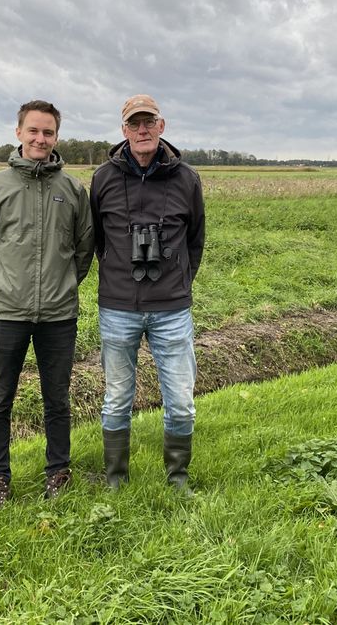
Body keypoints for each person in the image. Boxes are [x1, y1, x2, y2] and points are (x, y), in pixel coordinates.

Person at [0, 100, 95, 507]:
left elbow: (84, 248)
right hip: (7, 313)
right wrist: (2, 285)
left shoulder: (73, 191)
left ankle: (58, 472)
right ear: (19, 132)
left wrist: (64, 284)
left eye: (49, 132)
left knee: (56, 399)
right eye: (34, 131)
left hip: (59, 315)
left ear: (57, 137)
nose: (41, 139)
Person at [90, 94, 205, 491]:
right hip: (118, 306)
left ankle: (177, 478)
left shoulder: (186, 179)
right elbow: (94, 238)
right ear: (123, 130)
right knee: (117, 397)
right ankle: (116, 479)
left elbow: (196, 241)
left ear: (162, 126)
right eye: (134, 123)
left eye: (149, 122)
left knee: (181, 400)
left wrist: (178, 283)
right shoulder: (103, 179)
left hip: (172, 309)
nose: (142, 130)